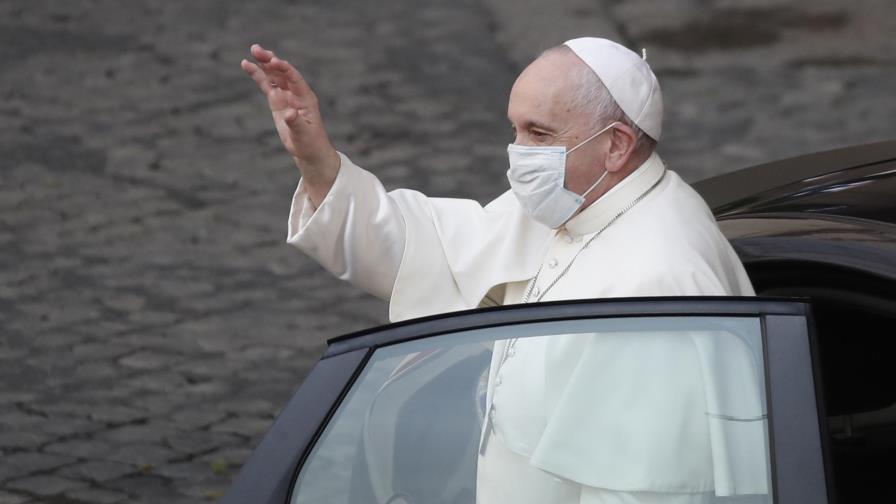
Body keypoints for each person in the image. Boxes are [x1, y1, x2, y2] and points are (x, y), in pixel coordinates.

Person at [241, 37, 765, 504]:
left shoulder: (654, 289)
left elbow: (640, 490)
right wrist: (317, 160)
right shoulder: (572, 201)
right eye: (514, 128)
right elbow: (426, 252)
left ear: (616, 145)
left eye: (538, 133)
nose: (517, 153)